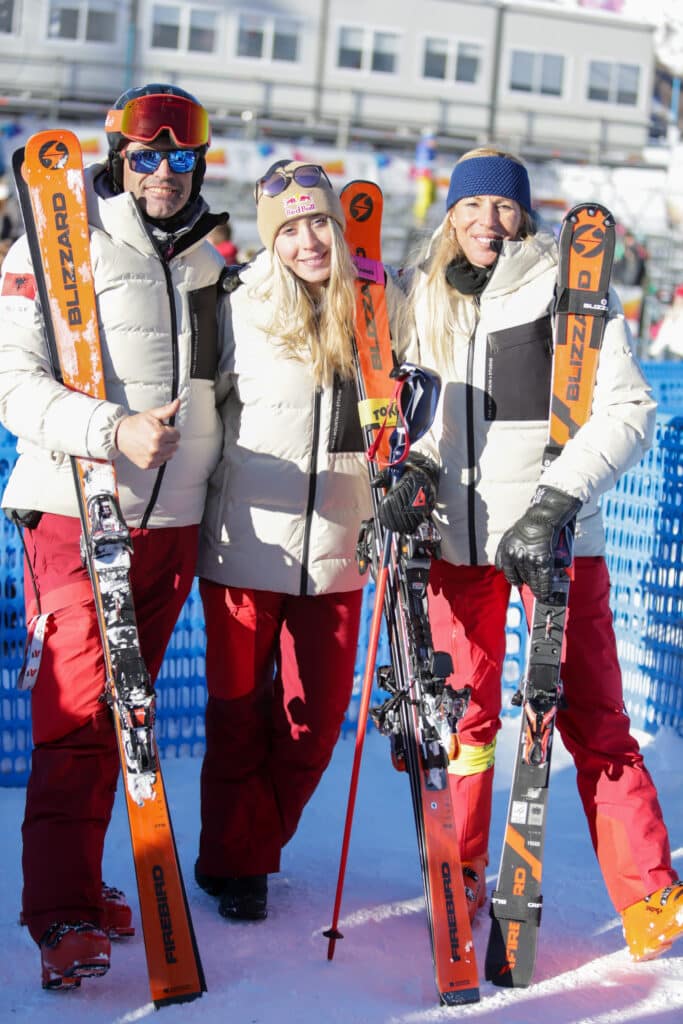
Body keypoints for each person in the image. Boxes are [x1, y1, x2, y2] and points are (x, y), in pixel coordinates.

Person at [382, 147, 682, 960]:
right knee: (462, 721)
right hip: (458, 544)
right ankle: (459, 872)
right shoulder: (428, 296)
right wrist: (415, 470)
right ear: (450, 213)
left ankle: (647, 891)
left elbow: (627, 410)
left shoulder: (566, 290)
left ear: (522, 214)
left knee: (591, 714)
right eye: (472, 206)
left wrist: (553, 501)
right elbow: (427, 416)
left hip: (554, 540)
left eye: (503, 206)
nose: (487, 221)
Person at [0, 83, 228, 990]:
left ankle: (85, 883)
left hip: (172, 525)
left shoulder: (209, 261)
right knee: (76, 716)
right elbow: (11, 383)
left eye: (180, 157)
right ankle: (59, 913)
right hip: (74, 511)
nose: (163, 172)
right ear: (117, 159)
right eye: (146, 155)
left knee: (125, 717)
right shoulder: (55, 241)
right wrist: (110, 429)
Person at [194, 159, 408, 921]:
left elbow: (413, 401)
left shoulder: (378, 300)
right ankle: (237, 864)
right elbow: (202, 414)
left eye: (319, 222)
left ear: (340, 227)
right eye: (289, 229)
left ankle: (247, 844)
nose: (308, 240)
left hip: (342, 552)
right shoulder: (238, 304)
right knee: (236, 717)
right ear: (270, 238)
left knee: (312, 725)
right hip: (245, 544)